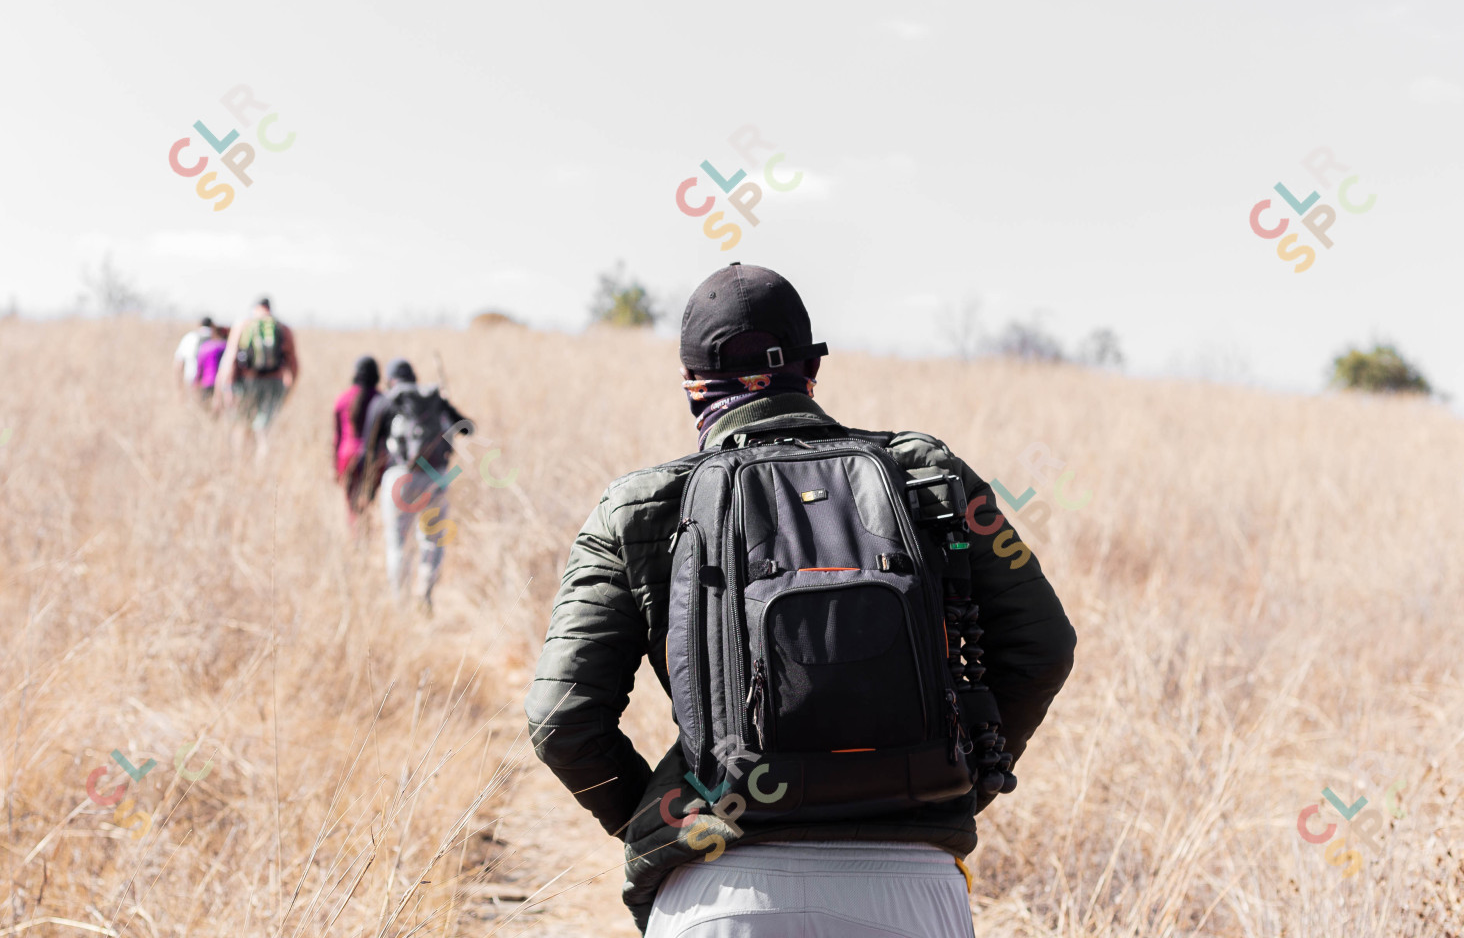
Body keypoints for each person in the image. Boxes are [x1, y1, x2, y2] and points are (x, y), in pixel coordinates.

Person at [524, 263, 1077, 936]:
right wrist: (958, 777)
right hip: (911, 890)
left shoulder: (637, 508)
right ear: (813, 370)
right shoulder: (932, 476)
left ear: (692, 388)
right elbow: (1045, 646)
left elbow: (560, 719)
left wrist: (662, 821)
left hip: (718, 890)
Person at [359, 359, 468, 612]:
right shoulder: (435, 399)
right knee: (432, 540)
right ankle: (425, 594)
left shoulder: (385, 402)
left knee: (397, 543)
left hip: (399, 478)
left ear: (390, 380)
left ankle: (401, 604)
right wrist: (445, 404)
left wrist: (368, 489)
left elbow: (369, 447)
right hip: (436, 477)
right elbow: (469, 428)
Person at [216, 298, 298, 448]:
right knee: (264, 430)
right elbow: (293, 364)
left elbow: (231, 358)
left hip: (246, 382)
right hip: (274, 383)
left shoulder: (243, 325)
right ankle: (263, 465)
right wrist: (288, 390)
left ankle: (242, 464)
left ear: (255, 308)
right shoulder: (282, 328)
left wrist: (227, 388)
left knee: (242, 426)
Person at [333, 356, 384, 531]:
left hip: (346, 457)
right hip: (373, 459)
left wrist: (335, 468)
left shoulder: (342, 399)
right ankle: (365, 539)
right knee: (368, 504)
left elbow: (337, 438)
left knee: (351, 507)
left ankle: (355, 540)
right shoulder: (381, 400)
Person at [174, 317, 218, 401]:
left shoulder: (189, 337)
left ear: (199, 325)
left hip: (191, 380)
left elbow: (178, 363)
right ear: (213, 325)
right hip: (212, 383)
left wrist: (179, 388)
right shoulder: (218, 338)